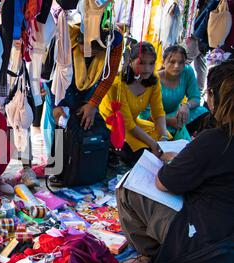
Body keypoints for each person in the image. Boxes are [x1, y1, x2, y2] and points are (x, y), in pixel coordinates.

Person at [116, 60, 234, 263]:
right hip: (224, 231)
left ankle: (150, 255)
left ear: (213, 97)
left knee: (128, 185)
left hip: (203, 240)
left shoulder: (216, 139)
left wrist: (172, 161)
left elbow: (165, 182)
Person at [44, 24, 124, 186]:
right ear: (78, 39)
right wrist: (55, 104)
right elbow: (49, 74)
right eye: (85, 46)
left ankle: (80, 168)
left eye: (96, 50)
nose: (90, 52)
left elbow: (108, 76)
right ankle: (58, 170)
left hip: (90, 87)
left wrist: (93, 103)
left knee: (84, 124)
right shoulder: (64, 36)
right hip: (59, 86)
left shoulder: (114, 41)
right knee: (59, 127)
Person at [99, 41, 171, 166]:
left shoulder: (153, 81)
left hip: (133, 125)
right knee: (146, 153)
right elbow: (128, 124)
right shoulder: (118, 85)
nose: (147, 68)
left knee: (169, 142)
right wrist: (153, 144)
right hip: (114, 127)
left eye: (151, 63)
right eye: (141, 63)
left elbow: (158, 112)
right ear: (130, 61)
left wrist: (163, 136)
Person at [139, 45, 209, 139]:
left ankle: (194, 138)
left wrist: (186, 106)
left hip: (176, 115)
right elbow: (145, 115)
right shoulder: (152, 80)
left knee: (203, 112)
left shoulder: (187, 72)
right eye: (172, 62)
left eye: (181, 62)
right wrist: (168, 121)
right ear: (163, 63)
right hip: (154, 120)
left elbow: (195, 98)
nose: (177, 66)